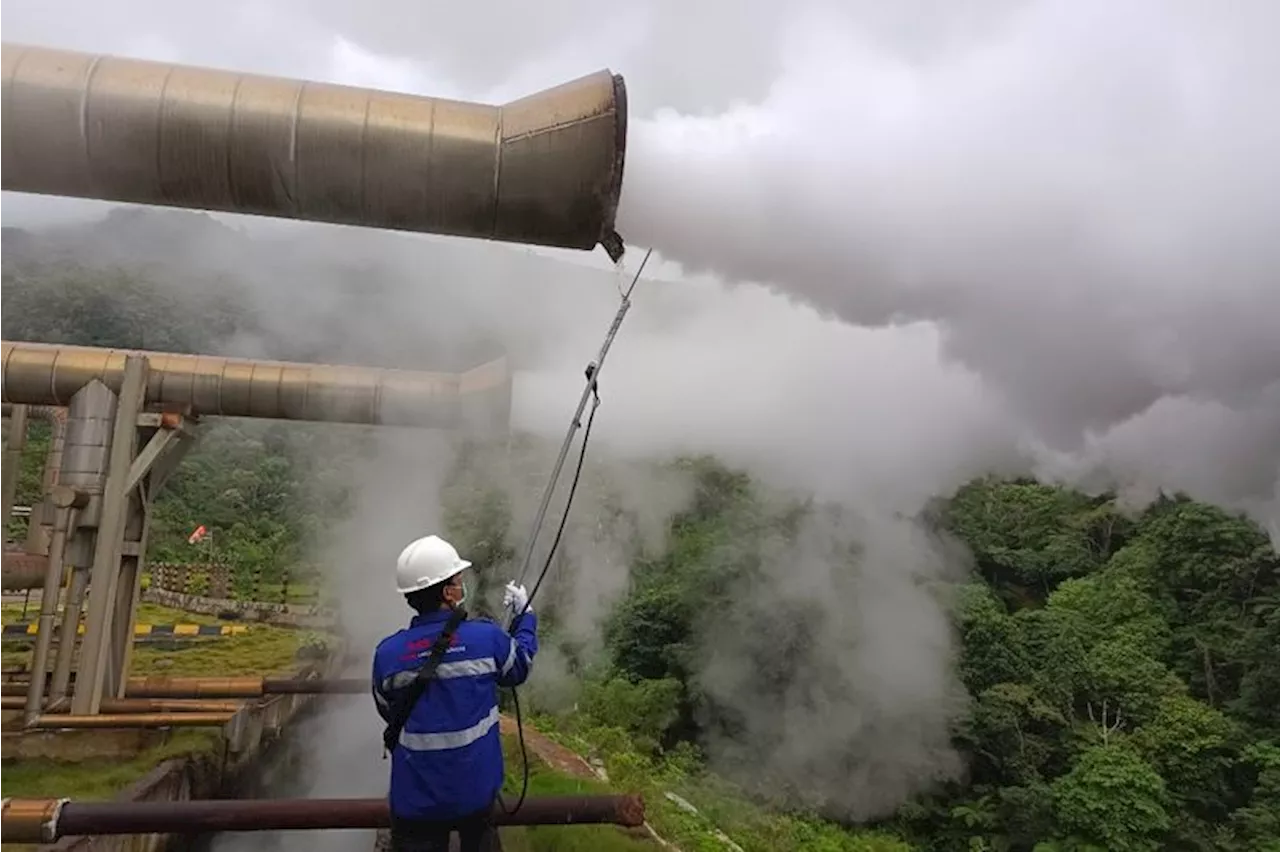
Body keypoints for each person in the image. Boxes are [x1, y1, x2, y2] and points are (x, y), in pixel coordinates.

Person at [372, 534, 538, 852]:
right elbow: (521, 666)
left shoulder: (387, 655)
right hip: (475, 797)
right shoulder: (485, 639)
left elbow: (387, 708)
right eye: (458, 580)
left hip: (416, 803)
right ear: (449, 592)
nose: (463, 586)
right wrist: (525, 617)